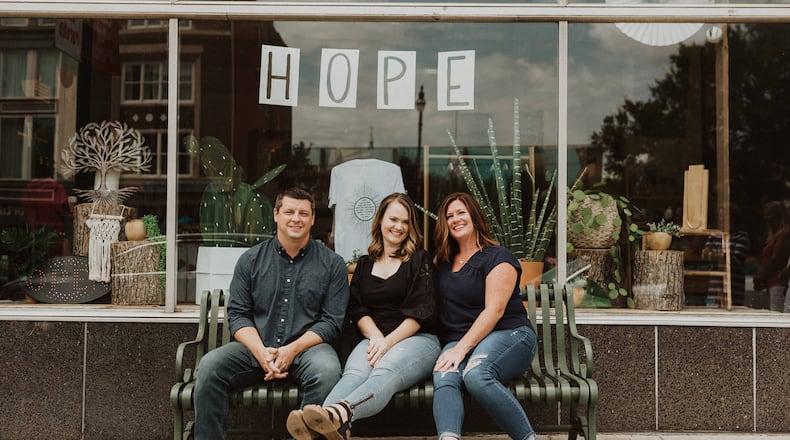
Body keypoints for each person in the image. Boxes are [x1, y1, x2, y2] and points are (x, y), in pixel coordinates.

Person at [193, 187, 349, 440]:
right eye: (289, 211)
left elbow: (331, 322)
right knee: (210, 367)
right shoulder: (250, 260)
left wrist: (292, 350)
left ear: (312, 219)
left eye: (303, 213)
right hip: (256, 347)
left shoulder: (333, 264)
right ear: (276, 215)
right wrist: (261, 352)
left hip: (308, 349)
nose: (296, 218)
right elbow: (239, 314)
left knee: (327, 372)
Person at [286, 192, 440, 440]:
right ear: (380, 220)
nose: (398, 227)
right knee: (354, 374)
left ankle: (337, 414)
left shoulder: (419, 260)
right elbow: (357, 307)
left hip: (417, 339)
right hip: (374, 338)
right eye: (393, 219)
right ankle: (328, 426)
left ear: (411, 226)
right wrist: (377, 337)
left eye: (405, 221)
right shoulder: (366, 264)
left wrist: (388, 342)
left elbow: (421, 311)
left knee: (385, 371)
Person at [431, 192, 538, 440]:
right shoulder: (443, 262)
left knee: (476, 374)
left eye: (461, 213)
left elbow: (495, 311)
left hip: (509, 334)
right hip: (461, 339)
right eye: (449, 216)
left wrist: (459, 351)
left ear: (475, 216)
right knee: (445, 375)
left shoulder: (498, 257)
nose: (455, 219)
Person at [753, 200, 790, 312]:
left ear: (779, 218)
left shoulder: (785, 234)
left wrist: (761, 275)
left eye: (771, 219)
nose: (769, 222)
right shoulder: (775, 236)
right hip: (772, 281)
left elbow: (777, 259)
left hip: (777, 282)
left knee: (777, 315)